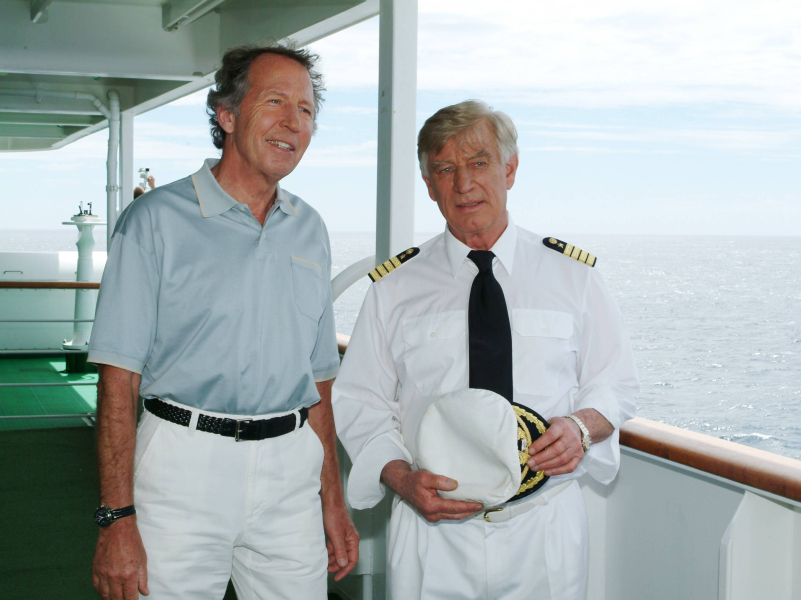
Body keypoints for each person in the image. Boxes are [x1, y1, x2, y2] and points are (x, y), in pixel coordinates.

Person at [332, 100, 640, 600]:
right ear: (428, 185)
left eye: (479, 163)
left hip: (544, 528)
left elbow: (616, 383)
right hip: (433, 534)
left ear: (509, 169)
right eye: (445, 169)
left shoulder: (573, 277)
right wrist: (400, 477)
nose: (463, 184)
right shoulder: (394, 288)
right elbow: (361, 401)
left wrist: (581, 429)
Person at [88, 42, 358, 600]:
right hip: (182, 465)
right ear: (227, 114)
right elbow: (118, 379)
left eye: (306, 110)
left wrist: (332, 501)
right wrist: (116, 517)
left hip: (290, 471)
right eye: (275, 101)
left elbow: (320, 382)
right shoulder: (154, 221)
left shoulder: (310, 228)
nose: (293, 122)